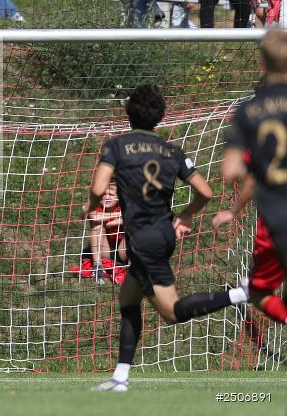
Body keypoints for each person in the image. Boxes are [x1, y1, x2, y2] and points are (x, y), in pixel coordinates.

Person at [86, 84, 248, 392]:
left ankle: (239, 294)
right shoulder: (172, 150)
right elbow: (206, 192)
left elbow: (97, 189)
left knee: (172, 312)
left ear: (128, 113)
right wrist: (186, 215)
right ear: (161, 116)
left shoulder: (116, 146)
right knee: (128, 299)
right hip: (161, 233)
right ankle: (120, 377)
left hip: (144, 238)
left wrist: (90, 207)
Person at [214, 29, 287, 326]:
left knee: (258, 292)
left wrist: (232, 211)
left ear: (262, 62)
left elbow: (232, 171)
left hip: (275, 223)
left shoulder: (249, 112)